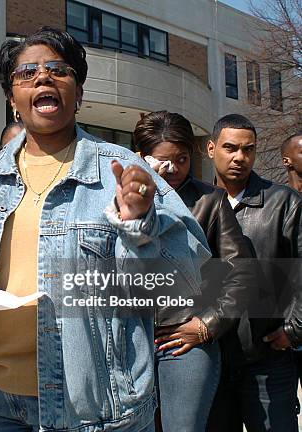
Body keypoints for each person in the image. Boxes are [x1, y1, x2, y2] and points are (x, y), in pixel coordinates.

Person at [0, 27, 210, 432]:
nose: (43, 77)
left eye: (58, 69)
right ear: (11, 98)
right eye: (27, 73)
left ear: (79, 92)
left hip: (94, 411)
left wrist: (138, 224)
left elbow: (183, 281)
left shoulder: (125, 174)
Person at [134, 111, 256, 431]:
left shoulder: (210, 201)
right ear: (139, 157)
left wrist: (207, 324)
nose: (172, 169)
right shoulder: (115, 198)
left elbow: (242, 273)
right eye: (161, 160)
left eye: (182, 159)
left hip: (185, 343)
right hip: (130, 340)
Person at [205, 114, 301, 432]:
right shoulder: (197, 204)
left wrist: (294, 330)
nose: (239, 157)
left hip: (269, 360)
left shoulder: (285, 203)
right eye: (230, 148)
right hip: (212, 359)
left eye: (248, 150)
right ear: (210, 149)